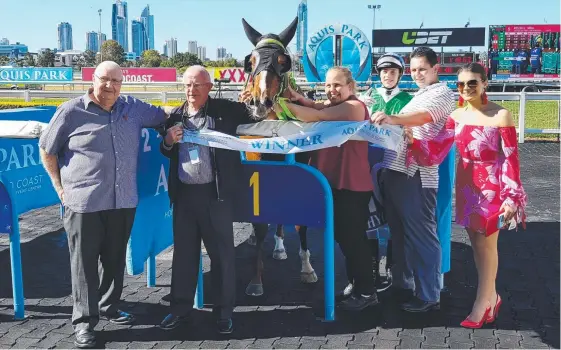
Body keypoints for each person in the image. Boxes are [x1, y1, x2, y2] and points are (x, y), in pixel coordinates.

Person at [39, 61, 171, 349]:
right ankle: (85, 322)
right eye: (104, 80)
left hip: (123, 201)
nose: (110, 86)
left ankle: (109, 307)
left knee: (113, 260)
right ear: (92, 79)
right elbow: (46, 150)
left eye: (116, 81)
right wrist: (60, 189)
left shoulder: (132, 108)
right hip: (83, 203)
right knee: (84, 265)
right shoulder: (71, 111)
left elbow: (166, 115)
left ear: (122, 84)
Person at [407, 62, 527, 328]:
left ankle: (482, 302)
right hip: (466, 183)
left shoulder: (501, 115)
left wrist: (510, 198)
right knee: (476, 242)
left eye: (472, 83)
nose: (466, 89)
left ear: (485, 83)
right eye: (461, 84)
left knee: (488, 244)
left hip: (492, 185)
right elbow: (438, 147)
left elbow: (510, 159)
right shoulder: (457, 114)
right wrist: (413, 141)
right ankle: (491, 297)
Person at [158, 66, 257, 334]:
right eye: (188, 85)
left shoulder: (226, 110)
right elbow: (166, 151)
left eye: (197, 85)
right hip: (185, 196)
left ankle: (224, 314)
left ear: (209, 87)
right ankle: (180, 310)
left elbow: (257, 112)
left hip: (217, 196)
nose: (192, 90)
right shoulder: (176, 115)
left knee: (222, 256)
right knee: (184, 257)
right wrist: (167, 141)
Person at [276, 66, 378, 311]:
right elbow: (318, 106)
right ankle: (357, 287)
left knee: (353, 241)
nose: (331, 90)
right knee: (345, 240)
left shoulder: (354, 107)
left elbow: (316, 115)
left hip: (352, 187)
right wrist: (299, 98)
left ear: (350, 87)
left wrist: (278, 104)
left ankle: (366, 293)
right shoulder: (337, 105)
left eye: (337, 85)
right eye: (328, 85)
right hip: (338, 185)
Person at [370, 47, 455, 313]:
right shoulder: (418, 94)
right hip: (394, 171)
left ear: (435, 69)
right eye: (414, 69)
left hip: (417, 174)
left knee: (421, 235)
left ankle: (429, 294)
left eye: (422, 69)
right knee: (399, 234)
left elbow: (424, 118)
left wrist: (392, 118)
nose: (417, 74)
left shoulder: (443, 93)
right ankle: (403, 284)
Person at [359, 53, 412, 294]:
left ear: (400, 74)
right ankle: (370, 267)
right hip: (368, 164)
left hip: (394, 164)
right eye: (383, 72)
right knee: (368, 215)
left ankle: (391, 267)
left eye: (392, 72)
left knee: (393, 215)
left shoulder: (409, 100)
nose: (387, 76)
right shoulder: (368, 98)